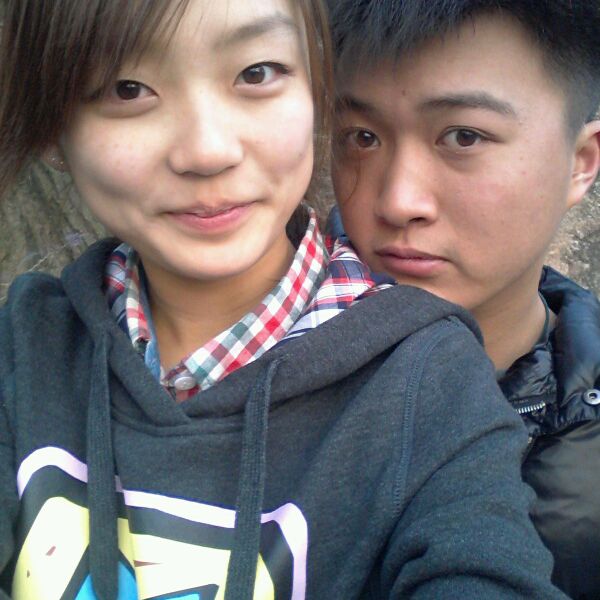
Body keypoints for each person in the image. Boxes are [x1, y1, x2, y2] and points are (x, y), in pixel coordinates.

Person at [0, 0, 569, 598]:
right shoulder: (26, 346)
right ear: (54, 130)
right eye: (128, 89)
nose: (208, 151)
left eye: (256, 73)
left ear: (314, 90)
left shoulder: (427, 383)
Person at [327, 1, 600, 597]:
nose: (397, 201)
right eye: (363, 138)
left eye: (464, 136)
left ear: (581, 163)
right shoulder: (243, 359)